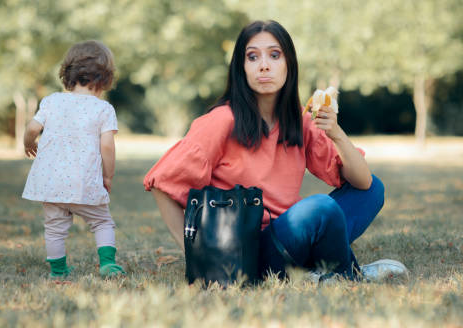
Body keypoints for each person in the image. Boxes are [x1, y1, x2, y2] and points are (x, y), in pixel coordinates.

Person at [143, 20, 407, 282]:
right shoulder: (223, 120)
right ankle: (350, 275)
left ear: (289, 64)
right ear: (241, 68)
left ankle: (314, 273)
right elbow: (162, 183)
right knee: (321, 208)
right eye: (252, 57)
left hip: (291, 238)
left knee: (373, 190)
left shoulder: (299, 121)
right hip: (245, 252)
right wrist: (198, 257)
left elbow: (362, 182)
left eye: (274, 54)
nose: (264, 65)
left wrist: (336, 133)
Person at [22, 40, 125, 278]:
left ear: (68, 72)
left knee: (54, 228)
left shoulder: (51, 101)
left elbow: (32, 128)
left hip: (50, 183)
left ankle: (58, 271)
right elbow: (107, 146)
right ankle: (108, 264)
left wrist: (28, 143)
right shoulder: (103, 109)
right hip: (84, 181)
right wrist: (107, 176)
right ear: (105, 77)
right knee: (101, 222)